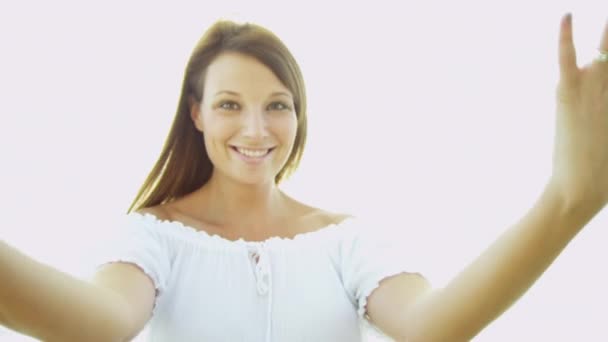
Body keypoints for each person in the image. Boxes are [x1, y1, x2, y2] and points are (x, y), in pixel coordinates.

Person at [1, 12, 607, 341]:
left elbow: (431, 332)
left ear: (300, 115)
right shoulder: (153, 237)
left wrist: (569, 200)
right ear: (196, 114)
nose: (257, 130)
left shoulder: (346, 241)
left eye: (278, 105)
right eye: (230, 104)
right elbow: (96, 326)